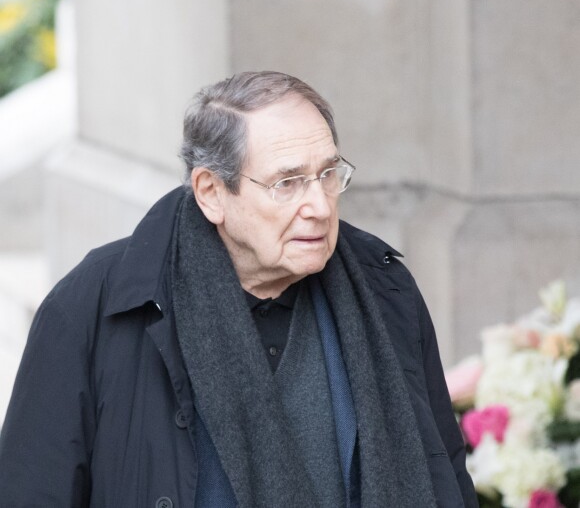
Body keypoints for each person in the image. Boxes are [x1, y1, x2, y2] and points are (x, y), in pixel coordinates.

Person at [0, 71, 477, 507]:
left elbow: (447, 478)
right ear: (211, 192)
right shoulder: (94, 306)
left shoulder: (383, 288)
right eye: (287, 182)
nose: (319, 206)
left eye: (328, 175)